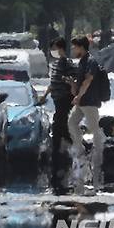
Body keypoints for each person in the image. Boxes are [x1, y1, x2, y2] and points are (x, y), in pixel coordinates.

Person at [68, 35, 105, 191]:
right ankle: (81, 149)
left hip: (89, 102)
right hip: (82, 102)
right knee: (71, 122)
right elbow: (79, 82)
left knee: (94, 128)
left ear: (81, 47)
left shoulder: (90, 61)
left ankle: (99, 157)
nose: (73, 49)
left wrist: (79, 96)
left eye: (75, 47)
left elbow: (88, 80)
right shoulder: (82, 62)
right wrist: (71, 84)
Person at [39, 37, 75, 193]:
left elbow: (74, 81)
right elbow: (52, 83)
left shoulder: (67, 64)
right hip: (57, 102)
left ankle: (69, 159)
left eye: (53, 48)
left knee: (61, 129)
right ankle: (59, 161)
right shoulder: (53, 65)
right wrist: (45, 95)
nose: (52, 51)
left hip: (65, 102)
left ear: (60, 48)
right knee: (60, 130)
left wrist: (70, 84)